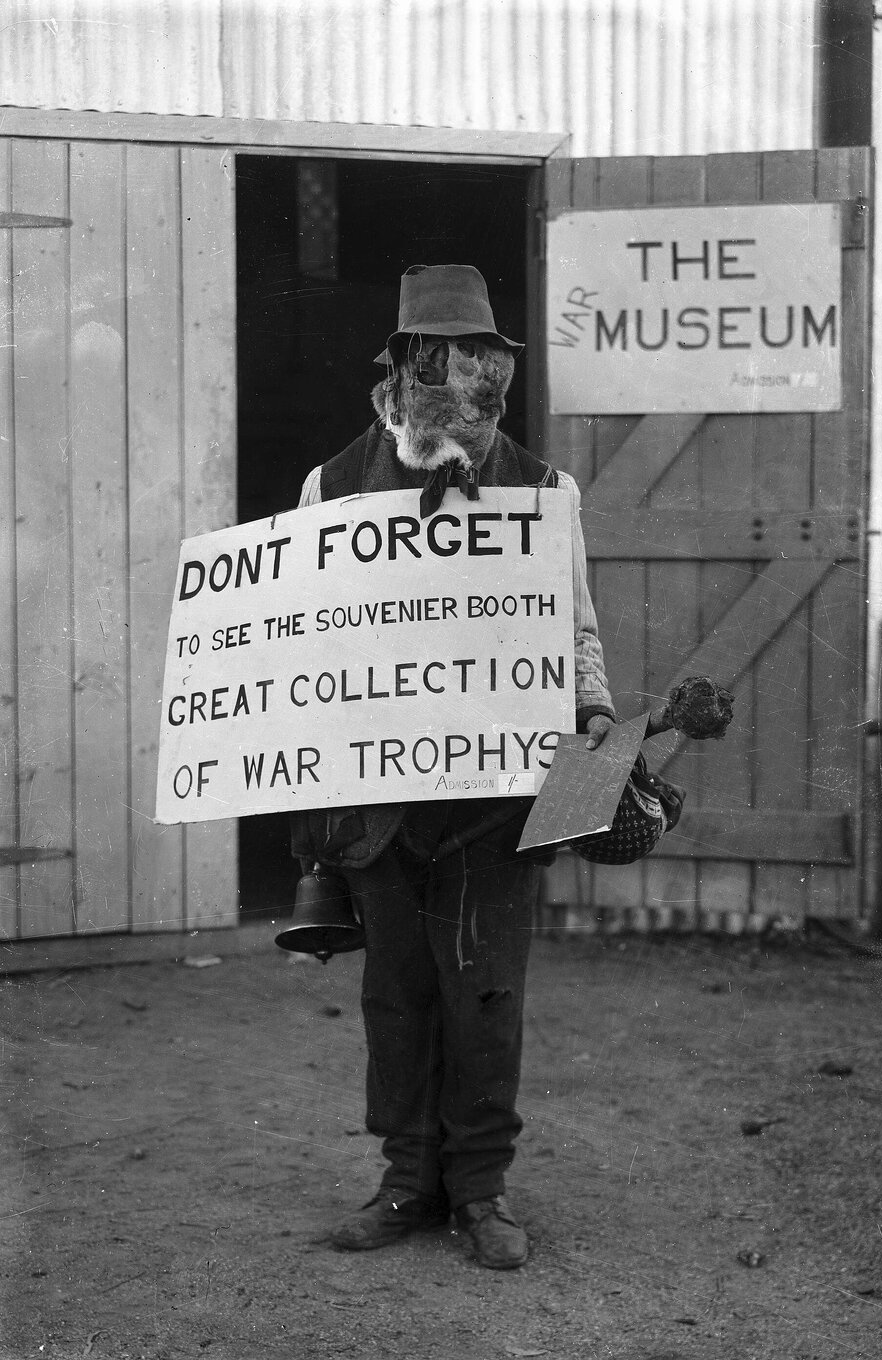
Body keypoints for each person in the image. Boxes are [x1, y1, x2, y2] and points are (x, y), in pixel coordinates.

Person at [295, 264, 615, 1270]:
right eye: (434, 368)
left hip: (494, 801)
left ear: (495, 377)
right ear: (399, 376)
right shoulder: (330, 490)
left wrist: (595, 719)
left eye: (475, 369)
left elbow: (576, 630)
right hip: (382, 801)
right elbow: (299, 646)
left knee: (484, 995)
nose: (458, 388)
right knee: (396, 996)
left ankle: (480, 1190)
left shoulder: (546, 493)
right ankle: (406, 1183)